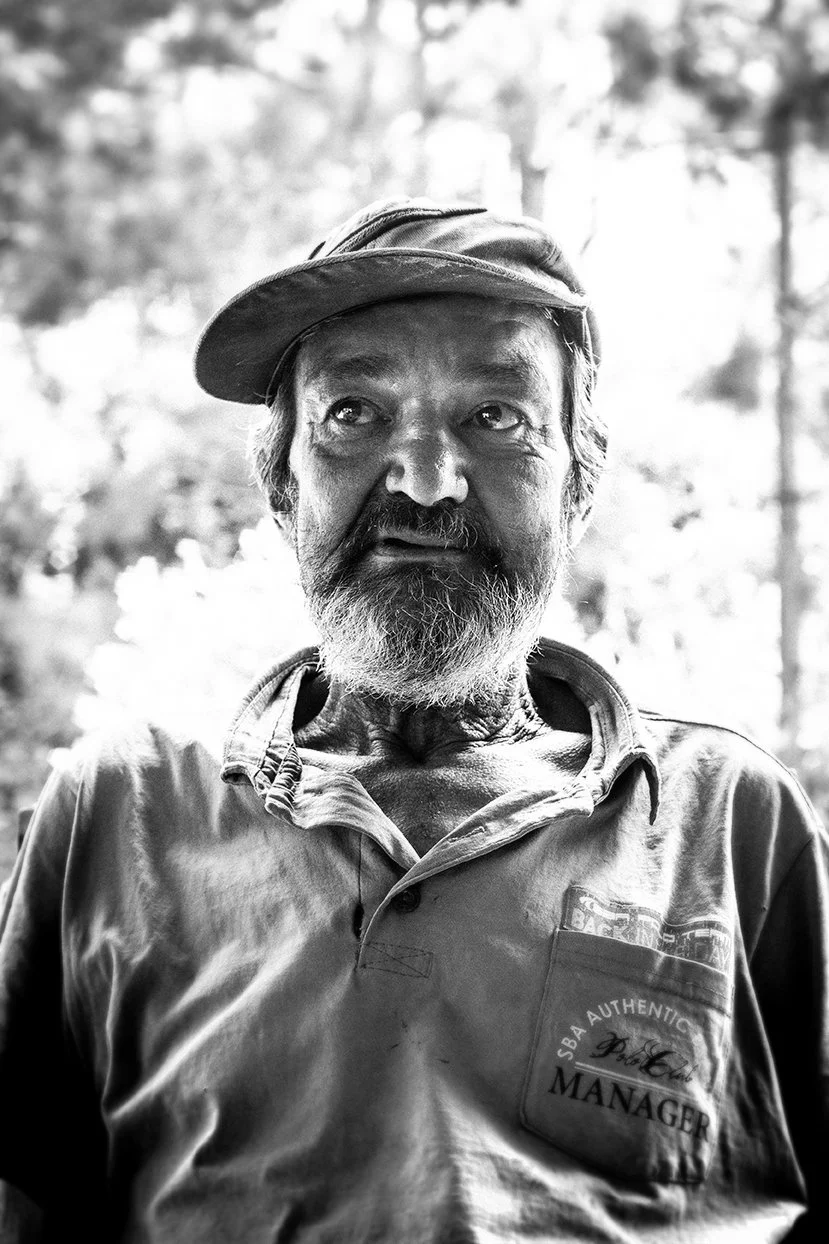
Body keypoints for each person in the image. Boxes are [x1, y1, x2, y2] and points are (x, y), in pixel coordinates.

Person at [0, 197, 827, 1243]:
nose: (427, 482)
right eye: (354, 412)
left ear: (579, 477)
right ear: (280, 479)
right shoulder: (119, 809)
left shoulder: (727, 822)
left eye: (497, 416)